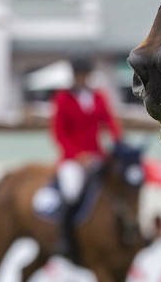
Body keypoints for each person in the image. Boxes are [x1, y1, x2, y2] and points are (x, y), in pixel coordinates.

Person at [50, 57, 122, 259]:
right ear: (74, 76)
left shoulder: (99, 96)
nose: (82, 79)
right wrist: (77, 155)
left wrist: (118, 145)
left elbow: (111, 123)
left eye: (85, 75)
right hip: (72, 160)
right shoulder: (63, 98)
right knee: (72, 190)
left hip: (97, 155)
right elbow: (59, 134)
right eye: (79, 75)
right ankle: (64, 238)